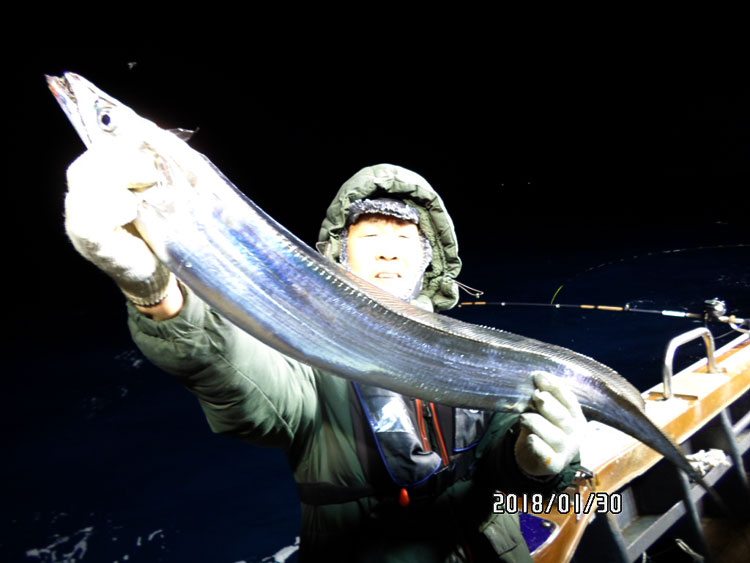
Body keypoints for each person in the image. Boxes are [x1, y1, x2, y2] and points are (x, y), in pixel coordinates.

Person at [64, 159, 587, 562]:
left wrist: (535, 460)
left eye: (404, 237)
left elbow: (510, 475)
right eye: (371, 235)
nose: (388, 250)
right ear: (340, 254)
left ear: (428, 259)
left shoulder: (471, 348)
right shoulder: (306, 352)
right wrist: (158, 295)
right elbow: (239, 380)